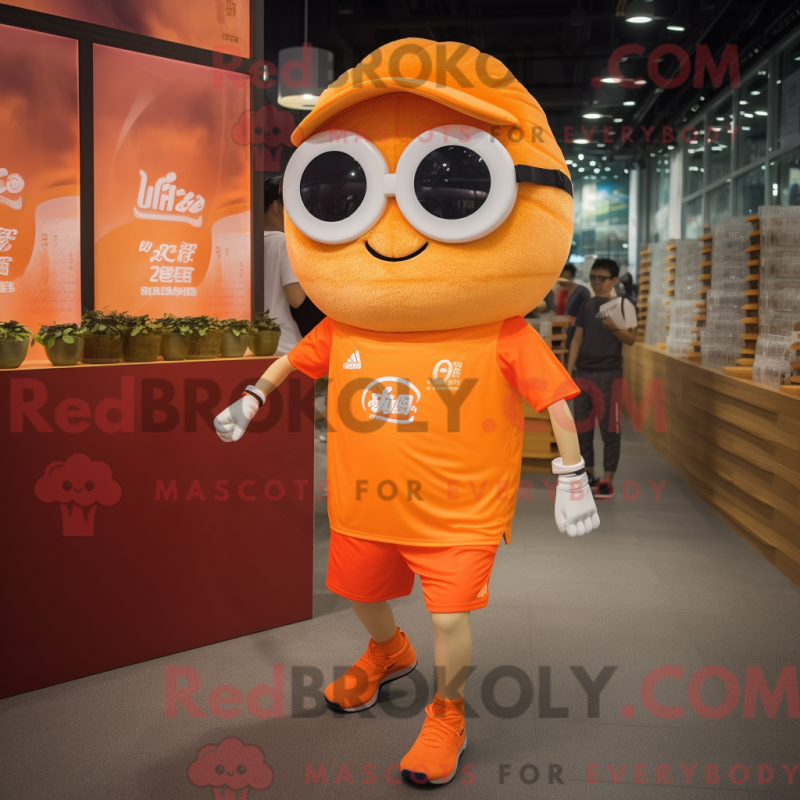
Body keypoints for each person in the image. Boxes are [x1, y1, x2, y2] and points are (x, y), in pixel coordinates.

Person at [214, 39, 598, 787]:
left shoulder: (499, 331)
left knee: (451, 619)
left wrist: (573, 474)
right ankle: (387, 652)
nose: (390, 227)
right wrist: (252, 398)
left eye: (447, 187)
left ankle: (448, 715)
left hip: (459, 511)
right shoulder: (348, 326)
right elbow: (297, 361)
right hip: (364, 503)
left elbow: (554, 397)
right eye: (340, 190)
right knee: (361, 594)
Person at [567, 258, 637, 500]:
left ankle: (607, 479)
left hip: (610, 373)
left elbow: (631, 339)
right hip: (583, 372)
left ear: (614, 280)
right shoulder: (587, 305)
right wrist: (569, 372)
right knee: (582, 429)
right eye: (593, 277)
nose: (596, 282)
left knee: (610, 429)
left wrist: (614, 327)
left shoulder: (624, 304)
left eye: (602, 278)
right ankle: (588, 475)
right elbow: (577, 338)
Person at [558, 262, 590, 350]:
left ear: (570, 276)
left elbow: (584, 315)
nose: (560, 279)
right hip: (561, 330)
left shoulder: (582, 292)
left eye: (563, 276)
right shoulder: (560, 292)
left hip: (574, 333)